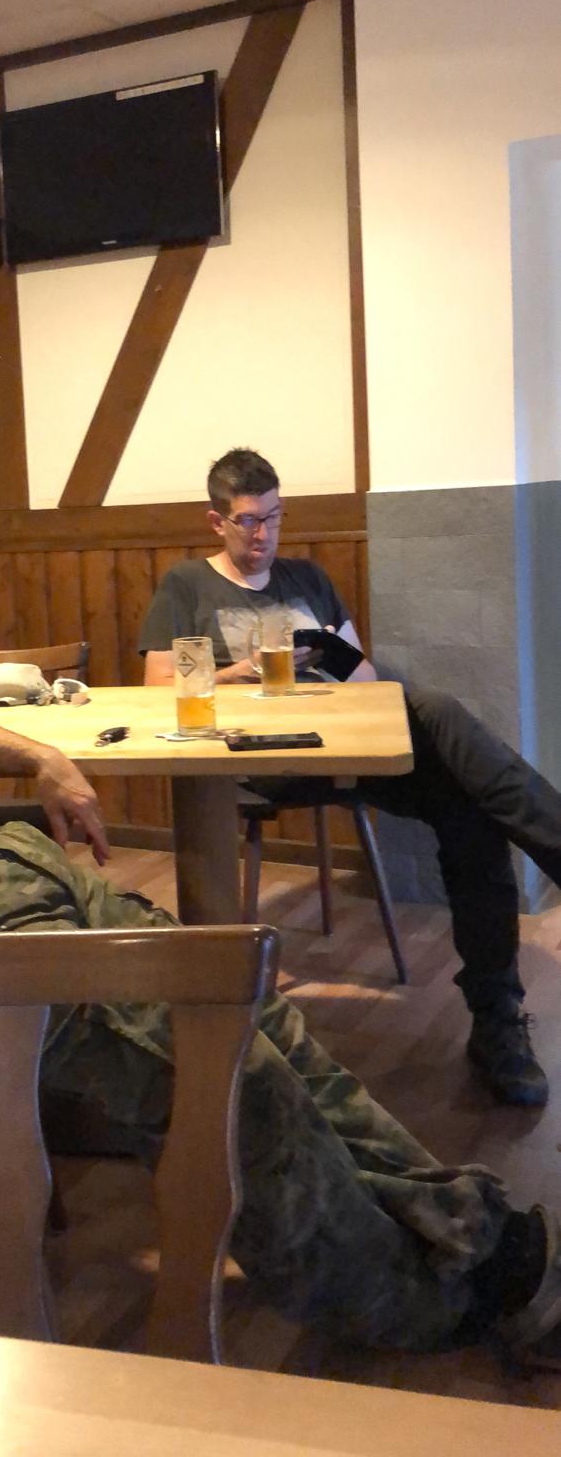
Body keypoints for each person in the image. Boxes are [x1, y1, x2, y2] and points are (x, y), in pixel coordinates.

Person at [0, 472, 561, 1365]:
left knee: (255, 1011)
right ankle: (428, 1304)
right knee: (225, 1073)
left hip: (6, 879)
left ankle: (470, 1234)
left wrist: (41, 758)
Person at [140, 447, 561, 1110]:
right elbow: (156, 687)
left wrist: (332, 659)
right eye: (248, 521)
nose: (264, 534)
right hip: (257, 760)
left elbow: (365, 680)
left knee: (469, 806)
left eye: (274, 517)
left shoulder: (308, 578)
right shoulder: (187, 585)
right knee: (439, 710)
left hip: (342, 745)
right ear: (216, 521)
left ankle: (496, 1021)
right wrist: (240, 672)